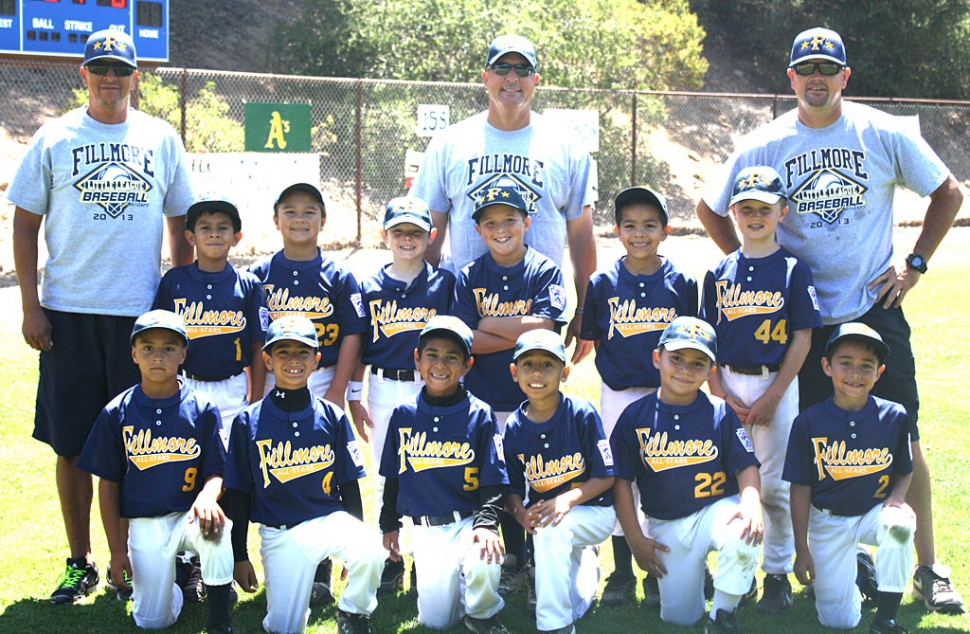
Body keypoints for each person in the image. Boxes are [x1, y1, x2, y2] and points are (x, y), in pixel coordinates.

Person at [696, 26, 965, 614]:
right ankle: (830, 559)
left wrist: (915, 264)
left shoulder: (882, 131)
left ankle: (926, 567)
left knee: (903, 433)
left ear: (846, 76)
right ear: (790, 78)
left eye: (828, 68)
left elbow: (948, 191)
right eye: (804, 69)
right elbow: (711, 208)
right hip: (803, 324)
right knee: (809, 446)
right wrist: (757, 273)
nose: (816, 78)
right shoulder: (766, 142)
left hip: (874, 308)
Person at [9, 28, 195, 604]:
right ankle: (80, 560)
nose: (109, 77)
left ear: (136, 76)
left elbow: (180, 223)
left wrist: (174, 298)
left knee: (144, 442)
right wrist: (31, 306)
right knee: (71, 445)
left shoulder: (161, 137)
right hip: (67, 313)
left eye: (120, 68)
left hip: (140, 318)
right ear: (82, 75)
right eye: (99, 68)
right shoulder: (54, 136)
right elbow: (23, 223)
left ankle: (135, 560)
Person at [411, 33, 596, 356]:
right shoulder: (449, 143)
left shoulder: (567, 147)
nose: (512, 77)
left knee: (538, 405)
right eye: (502, 68)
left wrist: (584, 309)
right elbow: (430, 235)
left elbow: (581, 235)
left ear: (536, 80)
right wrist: (424, 306)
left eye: (523, 69)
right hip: (469, 310)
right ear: (485, 77)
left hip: (538, 312)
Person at [700, 166, 821, 615]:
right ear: (732, 213)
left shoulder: (793, 269)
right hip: (727, 380)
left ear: (781, 212)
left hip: (776, 382)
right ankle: (738, 568)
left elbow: (803, 338)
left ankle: (776, 572)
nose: (755, 216)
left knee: (773, 485)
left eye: (764, 209)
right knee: (730, 478)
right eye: (746, 208)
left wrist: (774, 394)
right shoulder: (718, 271)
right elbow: (706, 339)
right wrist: (716, 387)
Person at [223, 316, 386, 634]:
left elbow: (348, 484)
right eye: (282, 352)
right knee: (285, 628)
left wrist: (355, 551)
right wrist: (240, 555)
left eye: (302, 352)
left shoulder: (332, 416)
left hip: (327, 522)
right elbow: (238, 492)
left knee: (370, 549)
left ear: (316, 360)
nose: (293, 360)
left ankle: (353, 615)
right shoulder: (248, 421)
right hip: (280, 532)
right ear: (267, 360)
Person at [77, 310, 236, 633]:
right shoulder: (116, 412)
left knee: (216, 528)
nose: (158, 356)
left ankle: (220, 620)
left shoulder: (202, 409)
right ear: (134, 354)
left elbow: (217, 471)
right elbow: (108, 485)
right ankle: (174, 583)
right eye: (147, 347)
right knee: (152, 622)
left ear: (183, 354)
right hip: (144, 523)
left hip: (188, 518)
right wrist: (117, 549)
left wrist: (207, 496)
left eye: (168, 348)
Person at [576, 185, 698, 607]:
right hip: (619, 394)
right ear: (617, 230)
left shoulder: (681, 280)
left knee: (667, 473)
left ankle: (663, 564)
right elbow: (590, 336)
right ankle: (623, 572)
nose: (639, 233)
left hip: (670, 395)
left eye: (649, 225)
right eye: (630, 225)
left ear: (665, 231)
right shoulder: (603, 281)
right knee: (618, 478)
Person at [248, 182, 368, 601]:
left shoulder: (338, 274)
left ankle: (319, 570)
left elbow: (354, 332)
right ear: (276, 219)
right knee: (277, 468)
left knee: (321, 471)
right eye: (291, 211)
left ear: (323, 220)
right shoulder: (259, 275)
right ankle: (270, 560)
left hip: (321, 376)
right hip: (271, 378)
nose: (300, 219)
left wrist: (338, 391)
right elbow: (252, 338)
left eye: (309, 211)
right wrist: (254, 393)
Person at [610, 317, 763, 634]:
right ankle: (726, 582)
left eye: (697, 363)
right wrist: (635, 538)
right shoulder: (635, 416)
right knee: (679, 618)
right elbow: (620, 483)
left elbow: (746, 465)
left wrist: (750, 503)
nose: (684, 369)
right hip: (667, 525)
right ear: (657, 358)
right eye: (676, 358)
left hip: (715, 510)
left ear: (711, 372)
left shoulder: (720, 412)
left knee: (741, 533)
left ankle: (723, 614)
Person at [453, 176, 568, 589]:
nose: (501, 229)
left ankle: (538, 556)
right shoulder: (468, 276)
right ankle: (513, 556)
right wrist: (515, 332)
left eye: (510, 219)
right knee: (499, 478)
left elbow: (547, 327)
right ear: (479, 229)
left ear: (527, 222)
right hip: (485, 396)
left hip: (535, 397)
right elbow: (467, 342)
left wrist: (489, 324)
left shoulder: (544, 269)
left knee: (536, 475)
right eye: (490, 222)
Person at [347, 196, 456, 594]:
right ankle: (392, 556)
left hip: (431, 387)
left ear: (430, 236)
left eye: (415, 232)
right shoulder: (371, 285)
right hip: (385, 386)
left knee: (428, 469)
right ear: (385, 236)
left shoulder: (444, 284)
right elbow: (361, 345)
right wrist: (356, 395)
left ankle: (425, 558)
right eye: (399, 232)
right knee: (386, 471)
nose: (407, 239)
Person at [379, 316, 510, 634]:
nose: (440, 364)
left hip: (467, 522)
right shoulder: (404, 414)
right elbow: (393, 477)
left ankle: (482, 618)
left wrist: (487, 524)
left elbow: (493, 478)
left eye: (452, 357)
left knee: (483, 553)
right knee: (437, 622)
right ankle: (464, 600)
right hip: (426, 531)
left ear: (467, 365)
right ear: (417, 360)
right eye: (432, 355)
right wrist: (388, 525)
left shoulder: (479, 413)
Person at [783, 323, 916, 634]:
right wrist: (802, 549)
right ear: (827, 367)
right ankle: (857, 564)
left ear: (879, 372)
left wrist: (897, 497)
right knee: (839, 621)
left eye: (866, 366)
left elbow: (904, 470)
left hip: (873, 512)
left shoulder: (894, 415)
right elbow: (800, 488)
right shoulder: (808, 422)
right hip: (828, 520)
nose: (856, 373)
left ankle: (886, 618)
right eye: (846, 363)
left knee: (899, 527)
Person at [503, 329, 615, 634]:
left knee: (551, 525)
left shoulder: (582, 414)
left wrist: (565, 500)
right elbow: (511, 488)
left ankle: (554, 626)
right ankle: (586, 567)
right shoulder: (513, 426)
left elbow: (605, 477)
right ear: (515, 372)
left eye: (548, 364)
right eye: (528, 364)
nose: (537, 372)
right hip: (550, 522)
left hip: (595, 512)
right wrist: (520, 513)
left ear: (564, 372)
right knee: (551, 532)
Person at [154, 197, 268, 444]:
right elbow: (159, 341)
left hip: (232, 387)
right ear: (190, 237)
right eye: (205, 227)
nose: (214, 234)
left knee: (231, 463)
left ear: (237, 238)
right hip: (184, 383)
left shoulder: (248, 285)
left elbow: (257, 346)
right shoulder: (174, 281)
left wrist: (256, 400)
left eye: (222, 227)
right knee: (186, 459)